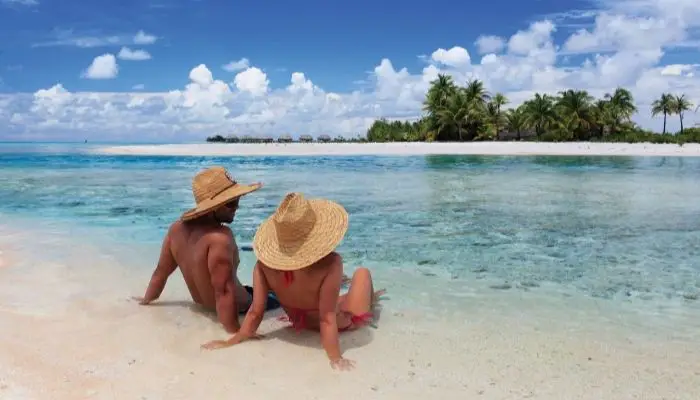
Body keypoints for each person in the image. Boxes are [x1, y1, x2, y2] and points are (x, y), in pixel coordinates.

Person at [201, 192, 385, 371]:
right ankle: (371, 299)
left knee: (340, 297)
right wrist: (335, 357)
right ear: (315, 233)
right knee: (362, 274)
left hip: (300, 320)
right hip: (335, 323)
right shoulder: (331, 263)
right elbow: (327, 318)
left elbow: (255, 312)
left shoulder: (263, 265)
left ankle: (354, 292)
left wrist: (233, 340)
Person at [131, 166, 279, 334]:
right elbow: (223, 291)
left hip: (205, 305)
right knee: (283, 293)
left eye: (238, 200)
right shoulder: (220, 238)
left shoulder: (175, 230)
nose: (237, 207)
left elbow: (161, 272)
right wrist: (235, 333)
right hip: (241, 307)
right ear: (213, 206)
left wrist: (146, 300)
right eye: (231, 203)